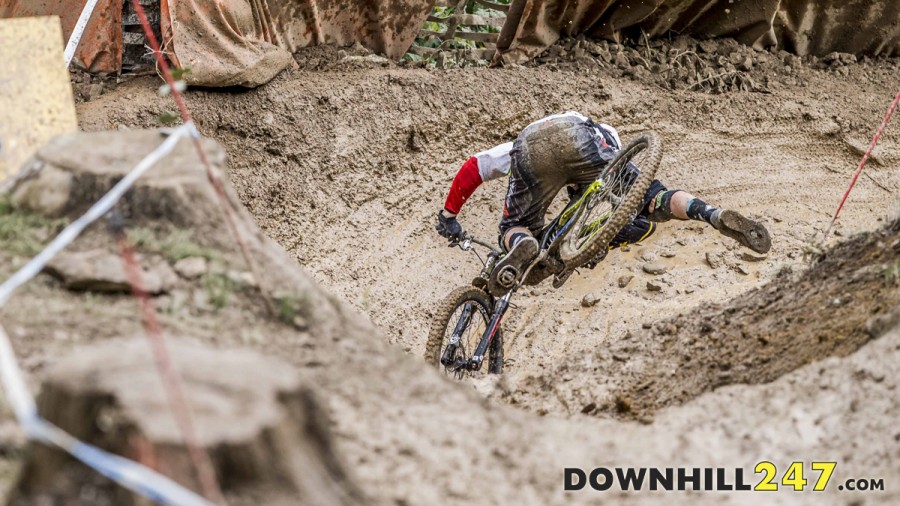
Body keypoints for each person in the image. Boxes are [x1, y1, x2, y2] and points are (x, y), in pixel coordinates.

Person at [435, 112, 770, 294]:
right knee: (655, 199)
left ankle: (521, 243)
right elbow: (627, 207)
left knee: (514, 227)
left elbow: (472, 168)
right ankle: (711, 214)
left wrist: (449, 215)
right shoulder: (605, 138)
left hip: (530, 145)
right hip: (581, 140)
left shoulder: (516, 143)